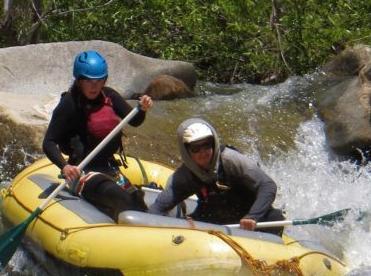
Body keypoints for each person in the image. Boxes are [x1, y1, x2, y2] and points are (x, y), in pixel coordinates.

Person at [42, 50, 154, 221]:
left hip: (109, 169)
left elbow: (135, 121)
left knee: (138, 204)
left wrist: (142, 109)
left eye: (99, 80)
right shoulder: (69, 103)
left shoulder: (109, 96)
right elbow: (48, 142)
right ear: (79, 80)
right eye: (88, 81)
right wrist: (65, 167)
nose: (94, 86)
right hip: (82, 172)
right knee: (123, 200)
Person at [147, 117, 286, 233]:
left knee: (275, 218)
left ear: (213, 144)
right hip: (215, 219)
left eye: (206, 145)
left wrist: (253, 216)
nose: (203, 152)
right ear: (187, 151)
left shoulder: (231, 160)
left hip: (249, 218)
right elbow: (159, 207)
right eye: (196, 148)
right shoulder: (184, 177)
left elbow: (267, 185)